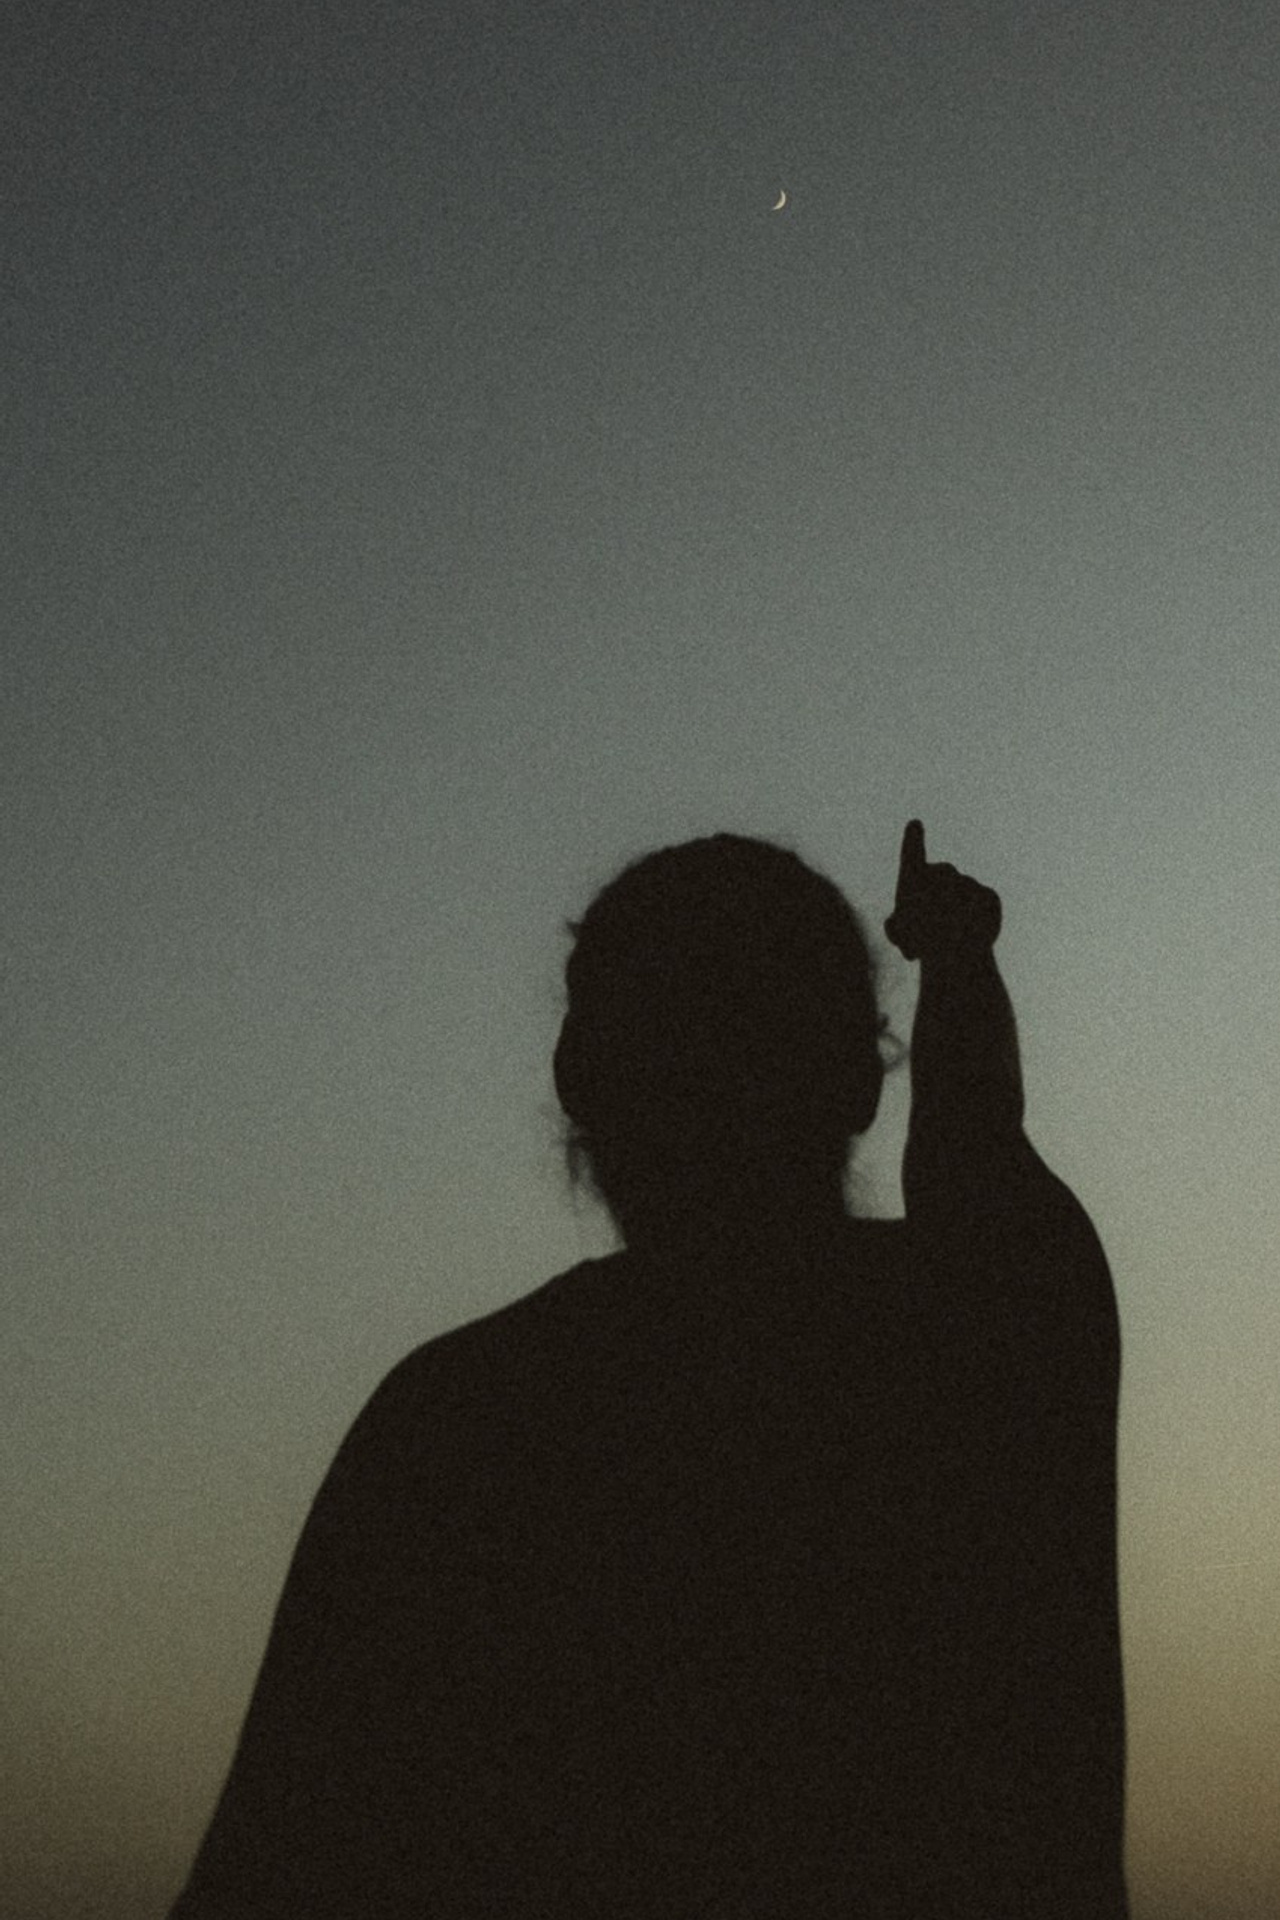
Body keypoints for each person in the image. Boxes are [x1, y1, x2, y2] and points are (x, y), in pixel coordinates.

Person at [169, 822, 1128, 1919]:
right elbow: (976, 1134)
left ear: (578, 1075)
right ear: (862, 1079)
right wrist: (954, 957)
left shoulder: (465, 1422)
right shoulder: (995, 1328)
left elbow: (271, 1861)